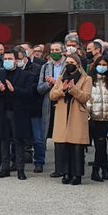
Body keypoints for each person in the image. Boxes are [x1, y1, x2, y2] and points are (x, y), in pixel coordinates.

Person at [0, 48, 37, 180]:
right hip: (3, 112)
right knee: (4, 141)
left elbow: (29, 93)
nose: (7, 61)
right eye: (5, 59)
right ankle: (4, 168)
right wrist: (0, 91)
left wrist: (14, 90)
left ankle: (20, 169)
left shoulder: (25, 76)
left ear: (16, 60)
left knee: (19, 141)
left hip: (18, 113)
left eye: (10, 59)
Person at [50, 56, 91, 185]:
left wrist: (73, 89)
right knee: (64, 146)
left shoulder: (86, 79)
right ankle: (66, 172)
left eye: (71, 62)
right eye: (67, 62)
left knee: (76, 146)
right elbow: (52, 95)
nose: (69, 65)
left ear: (78, 64)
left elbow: (85, 97)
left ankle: (76, 175)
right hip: (62, 113)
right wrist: (62, 90)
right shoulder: (61, 78)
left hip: (77, 114)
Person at [35, 42, 66, 176]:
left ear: (63, 51)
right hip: (48, 104)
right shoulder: (45, 67)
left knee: (62, 136)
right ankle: (40, 162)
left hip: (64, 103)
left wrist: (56, 83)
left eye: (57, 50)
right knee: (43, 135)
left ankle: (63, 166)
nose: (54, 52)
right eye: (52, 50)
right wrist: (49, 84)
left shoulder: (68, 65)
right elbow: (39, 89)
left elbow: (70, 84)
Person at [88, 56, 108, 183]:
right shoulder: (90, 81)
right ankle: (98, 168)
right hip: (93, 117)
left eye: (105, 65)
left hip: (106, 117)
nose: (102, 67)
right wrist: (88, 115)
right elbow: (88, 98)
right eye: (100, 64)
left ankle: (101, 168)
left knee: (102, 143)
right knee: (100, 143)